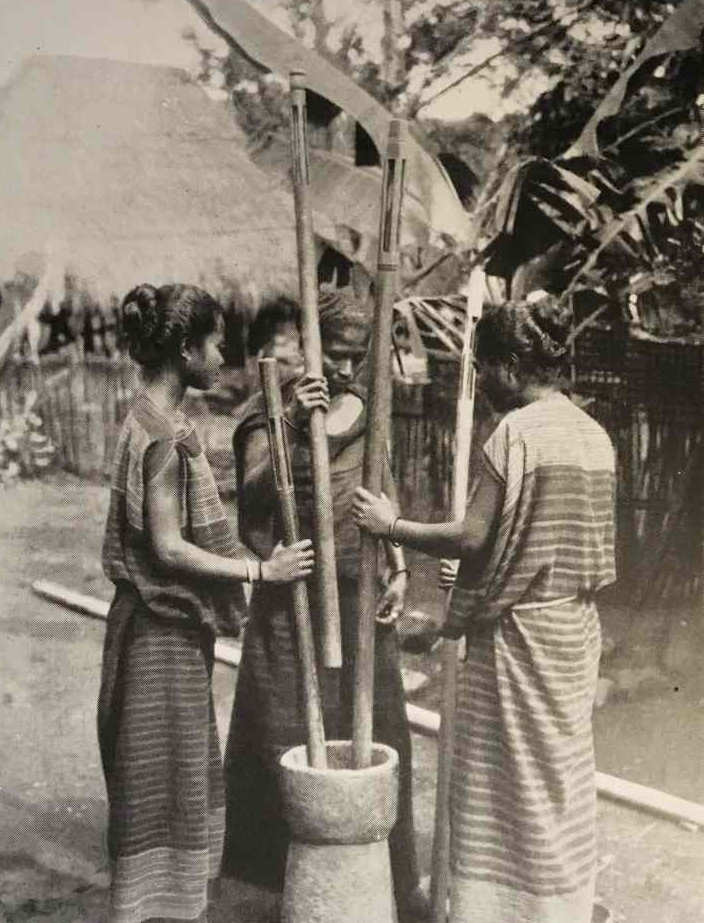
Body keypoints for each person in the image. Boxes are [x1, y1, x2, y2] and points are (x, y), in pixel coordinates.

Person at [352, 297, 616, 923]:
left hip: (519, 640)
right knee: (558, 781)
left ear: (512, 364)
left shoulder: (516, 434)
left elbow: (473, 538)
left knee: (502, 780)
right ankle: (560, 907)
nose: (482, 381)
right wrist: (481, 565)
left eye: (484, 367)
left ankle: (500, 910)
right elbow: (543, 541)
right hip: (573, 632)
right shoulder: (595, 437)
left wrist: (393, 524)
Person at [98, 282, 315, 923]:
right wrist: (260, 570)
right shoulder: (163, 436)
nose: (223, 356)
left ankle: (155, 907)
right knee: (166, 778)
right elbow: (168, 549)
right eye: (217, 343)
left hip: (155, 627)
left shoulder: (148, 417)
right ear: (186, 348)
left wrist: (290, 420)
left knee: (163, 776)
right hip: (160, 632)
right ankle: (159, 909)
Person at [222, 286, 429, 921]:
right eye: (332, 353)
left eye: (354, 354)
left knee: (379, 734)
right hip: (296, 597)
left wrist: (397, 567)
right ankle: (269, 890)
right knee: (282, 735)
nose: (342, 367)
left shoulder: (366, 404)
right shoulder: (271, 407)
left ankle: (388, 887)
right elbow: (253, 490)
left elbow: (380, 479)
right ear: (308, 348)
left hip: (360, 591)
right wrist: (292, 423)